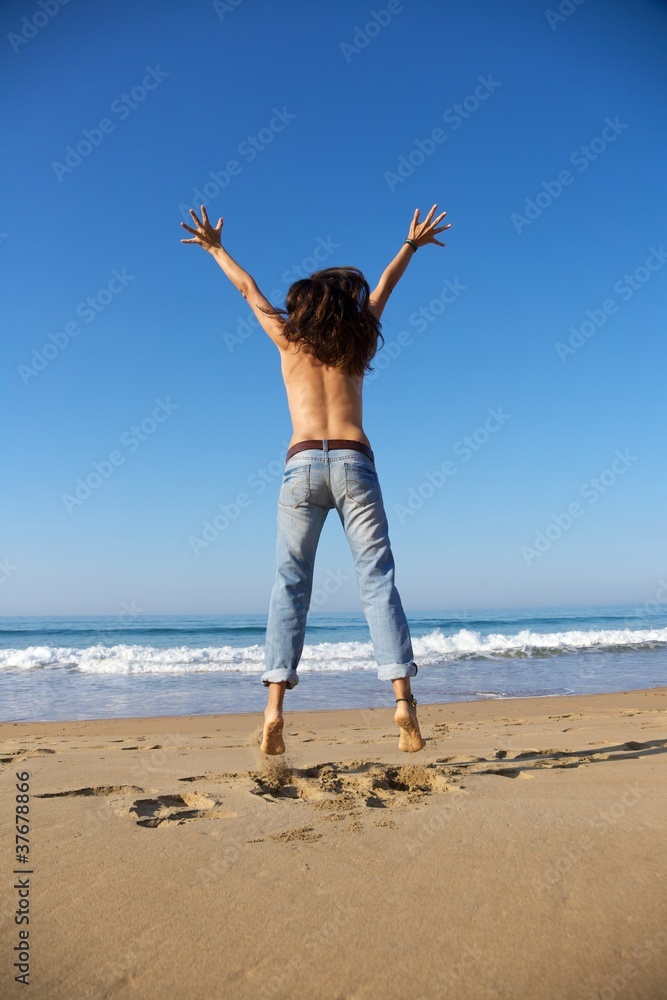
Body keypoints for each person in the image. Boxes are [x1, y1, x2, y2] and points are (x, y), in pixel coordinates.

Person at [181, 203, 451, 755]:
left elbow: (247, 290)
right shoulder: (359, 340)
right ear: (346, 305)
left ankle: (274, 710)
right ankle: (402, 703)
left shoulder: (288, 340)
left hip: (301, 464)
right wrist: (411, 246)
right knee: (377, 582)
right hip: (355, 462)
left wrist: (214, 248)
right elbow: (385, 288)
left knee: (290, 585)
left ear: (304, 306)